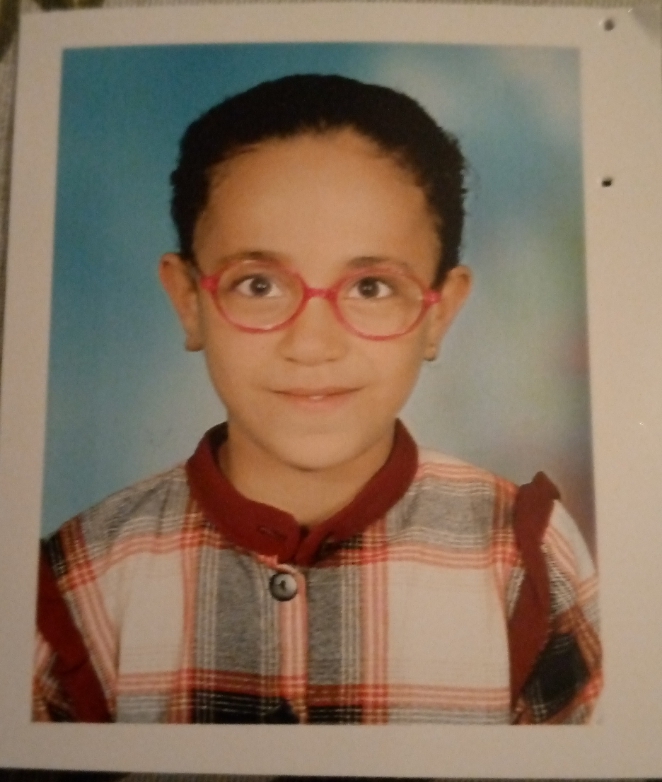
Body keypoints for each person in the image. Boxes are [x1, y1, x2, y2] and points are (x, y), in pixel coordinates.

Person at [33, 74, 601, 724]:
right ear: (189, 301)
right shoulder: (77, 583)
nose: (312, 345)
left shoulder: (526, 558)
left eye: (370, 288)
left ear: (439, 314)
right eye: (258, 284)